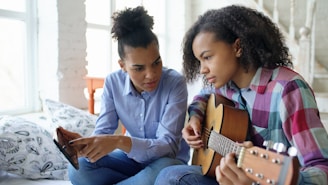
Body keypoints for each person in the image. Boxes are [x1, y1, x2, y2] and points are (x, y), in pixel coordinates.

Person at [154, 5, 328, 185]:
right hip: (229, 176)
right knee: (169, 175)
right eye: (199, 61)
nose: (202, 70)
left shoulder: (287, 90)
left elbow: (322, 167)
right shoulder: (225, 85)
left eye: (207, 57)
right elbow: (203, 96)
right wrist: (194, 118)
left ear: (237, 47)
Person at [66, 6, 190, 185]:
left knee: (164, 175)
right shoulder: (112, 83)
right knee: (79, 168)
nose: (151, 74)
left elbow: (168, 146)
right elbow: (103, 131)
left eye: (156, 62)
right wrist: (88, 145)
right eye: (139, 68)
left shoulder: (175, 83)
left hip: (165, 163)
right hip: (130, 161)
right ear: (122, 65)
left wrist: (120, 141)